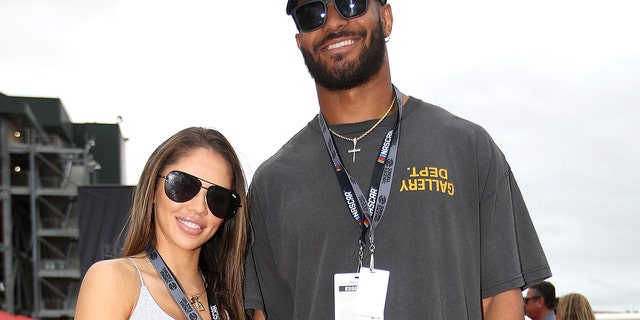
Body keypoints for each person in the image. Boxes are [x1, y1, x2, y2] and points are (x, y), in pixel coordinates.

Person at [244, 0, 552, 319]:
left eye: (351, 4)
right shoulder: (272, 182)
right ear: (300, 42)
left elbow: (500, 297)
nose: (333, 22)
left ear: (387, 18)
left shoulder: (468, 148)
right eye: (312, 14)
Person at [76, 127, 249, 320]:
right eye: (183, 186)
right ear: (152, 191)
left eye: (218, 198)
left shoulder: (232, 301)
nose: (199, 208)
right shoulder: (112, 280)